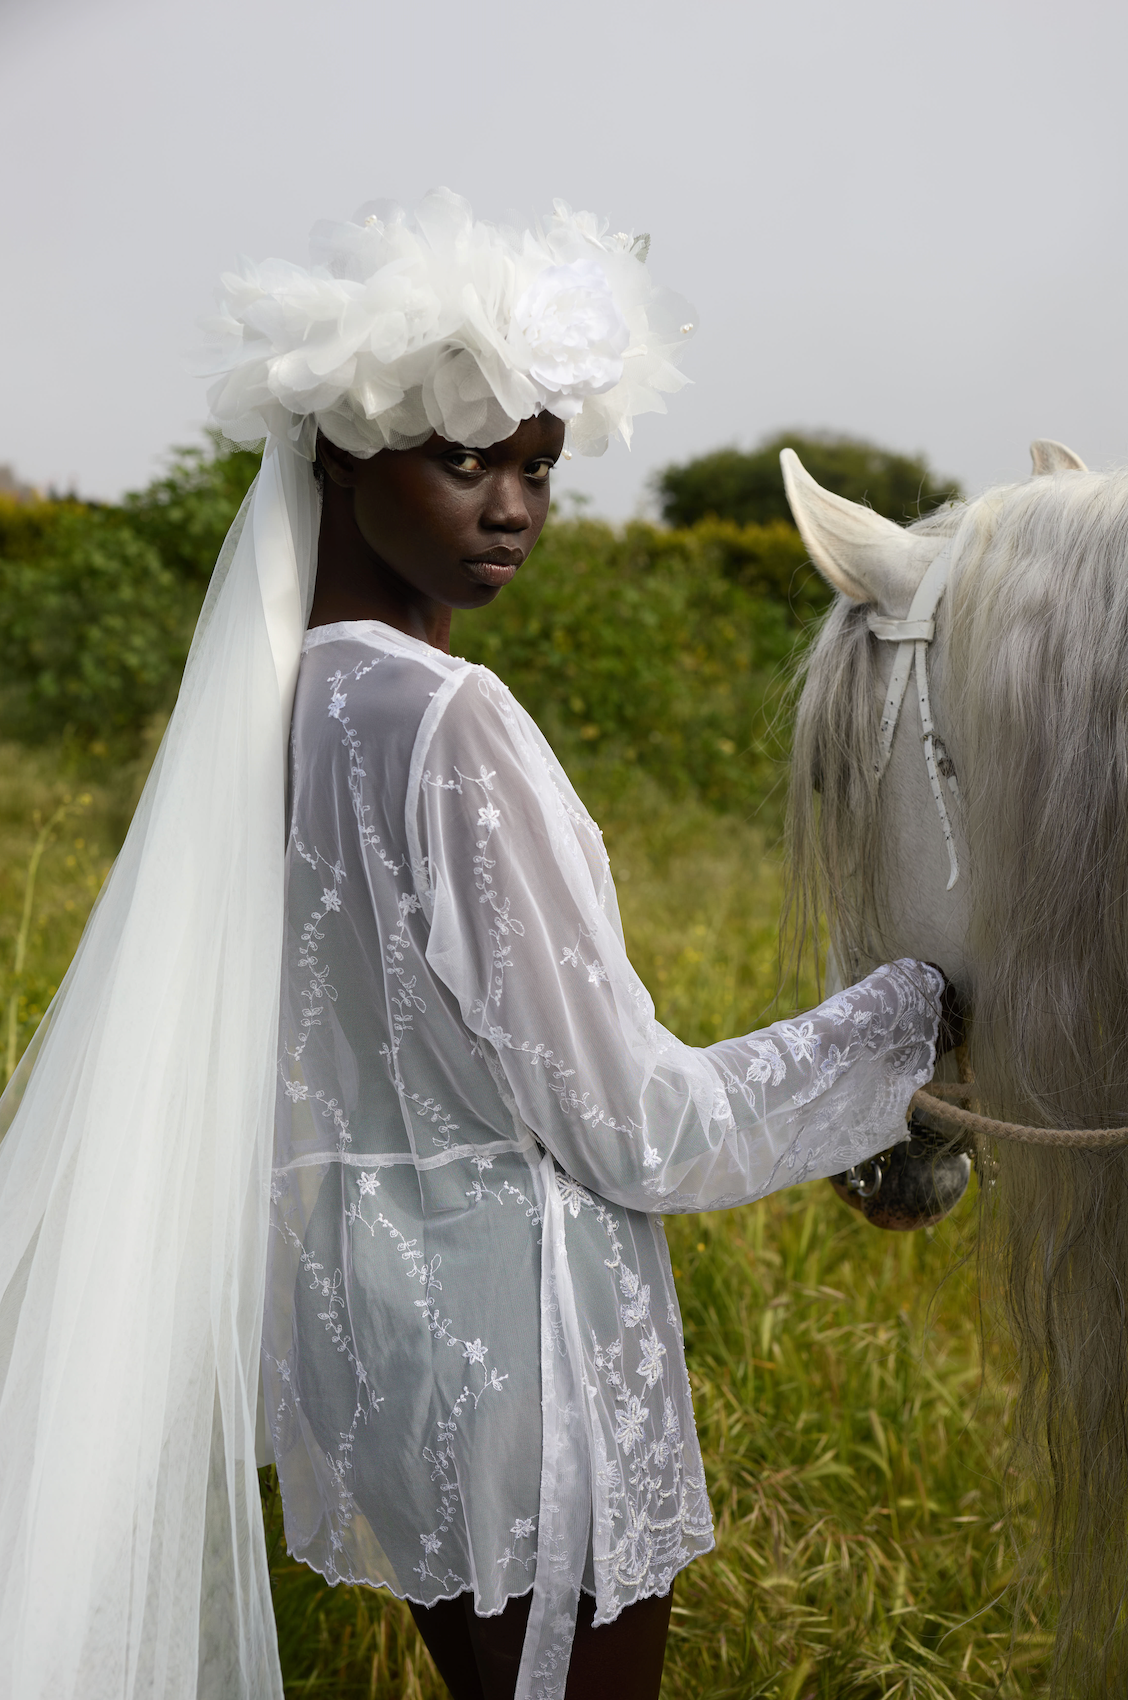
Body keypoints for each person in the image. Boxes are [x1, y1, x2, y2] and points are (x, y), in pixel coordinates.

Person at [0, 191, 944, 1700]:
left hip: (375, 1352)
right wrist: (902, 1024)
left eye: (539, 466)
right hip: (531, 1374)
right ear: (340, 453)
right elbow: (640, 1126)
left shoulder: (288, 704)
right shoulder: (447, 721)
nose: (511, 505)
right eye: (460, 457)